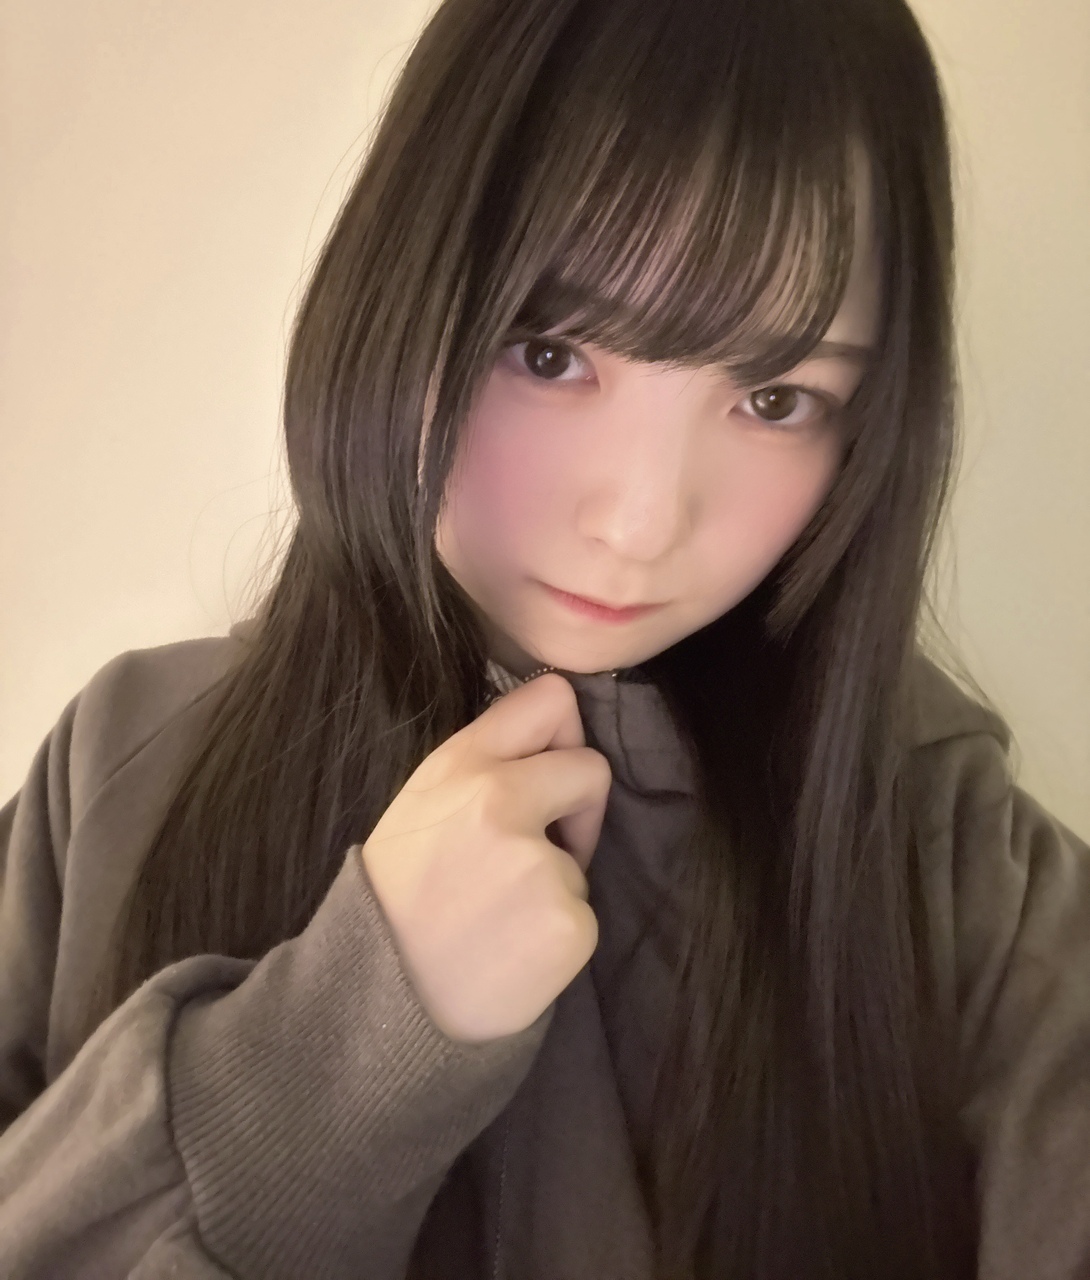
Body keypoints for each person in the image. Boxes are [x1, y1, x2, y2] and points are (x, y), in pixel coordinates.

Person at [1, 0, 1087, 1276]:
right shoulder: (122, 774)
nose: (638, 522)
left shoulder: (971, 882)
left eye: (774, 396)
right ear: (400, 293)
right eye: (551, 351)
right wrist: (332, 1059)